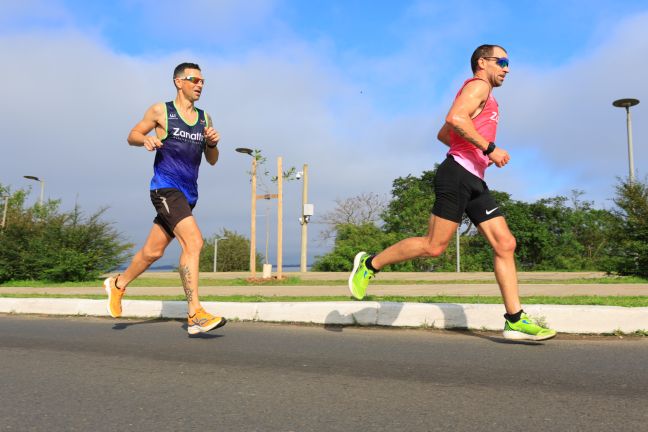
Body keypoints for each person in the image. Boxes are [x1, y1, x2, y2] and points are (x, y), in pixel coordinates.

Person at [348, 45, 556, 341]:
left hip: (473, 178)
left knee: (505, 243)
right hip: (457, 175)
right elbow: (456, 118)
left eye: (509, 63)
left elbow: (444, 134)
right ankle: (369, 264)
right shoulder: (478, 85)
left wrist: (473, 149)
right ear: (482, 63)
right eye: (502, 62)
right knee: (434, 246)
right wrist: (490, 148)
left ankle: (515, 320)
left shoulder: (485, 96)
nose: (508, 68)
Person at [104, 62, 226, 335]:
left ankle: (118, 284)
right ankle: (195, 313)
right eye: (194, 80)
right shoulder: (162, 111)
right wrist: (145, 140)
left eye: (203, 81)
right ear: (178, 81)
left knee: (153, 252)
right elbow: (132, 135)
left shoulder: (205, 119)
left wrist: (213, 144)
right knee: (194, 242)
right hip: (165, 188)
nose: (200, 85)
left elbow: (213, 161)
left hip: (188, 194)